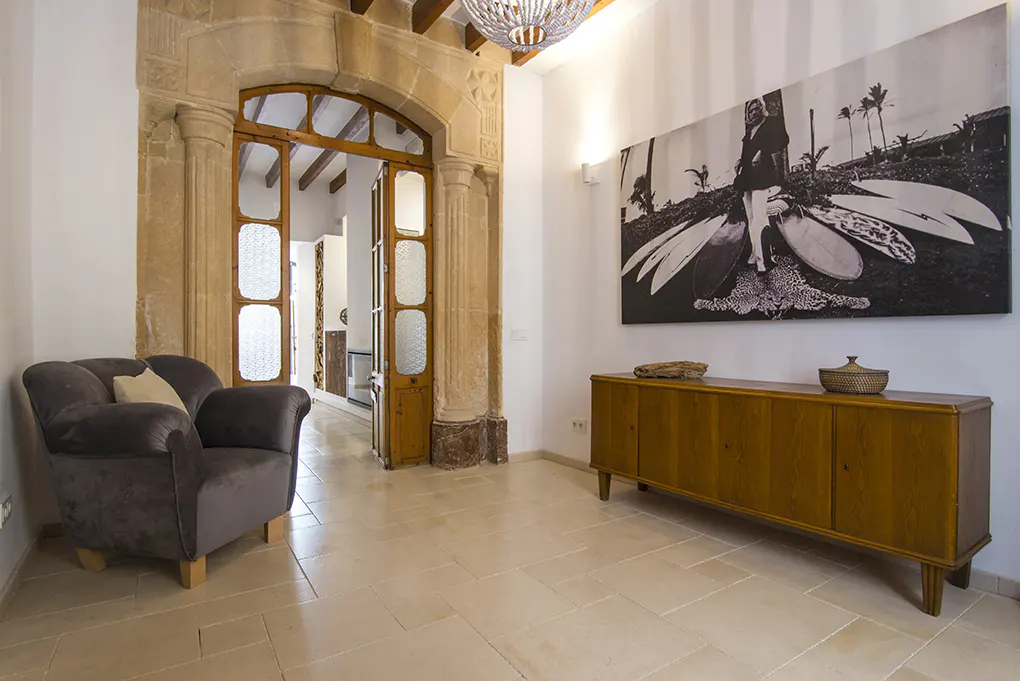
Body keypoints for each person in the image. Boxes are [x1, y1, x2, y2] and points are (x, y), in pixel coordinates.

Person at [734, 97, 790, 272]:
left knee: (759, 216)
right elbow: (747, 152)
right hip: (746, 176)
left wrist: (763, 152)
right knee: (751, 217)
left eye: (756, 109)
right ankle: (755, 255)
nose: (753, 113)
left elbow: (783, 140)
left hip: (761, 174)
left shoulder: (770, 123)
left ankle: (764, 260)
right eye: (750, 111)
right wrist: (740, 161)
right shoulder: (749, 131)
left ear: (762, 109)